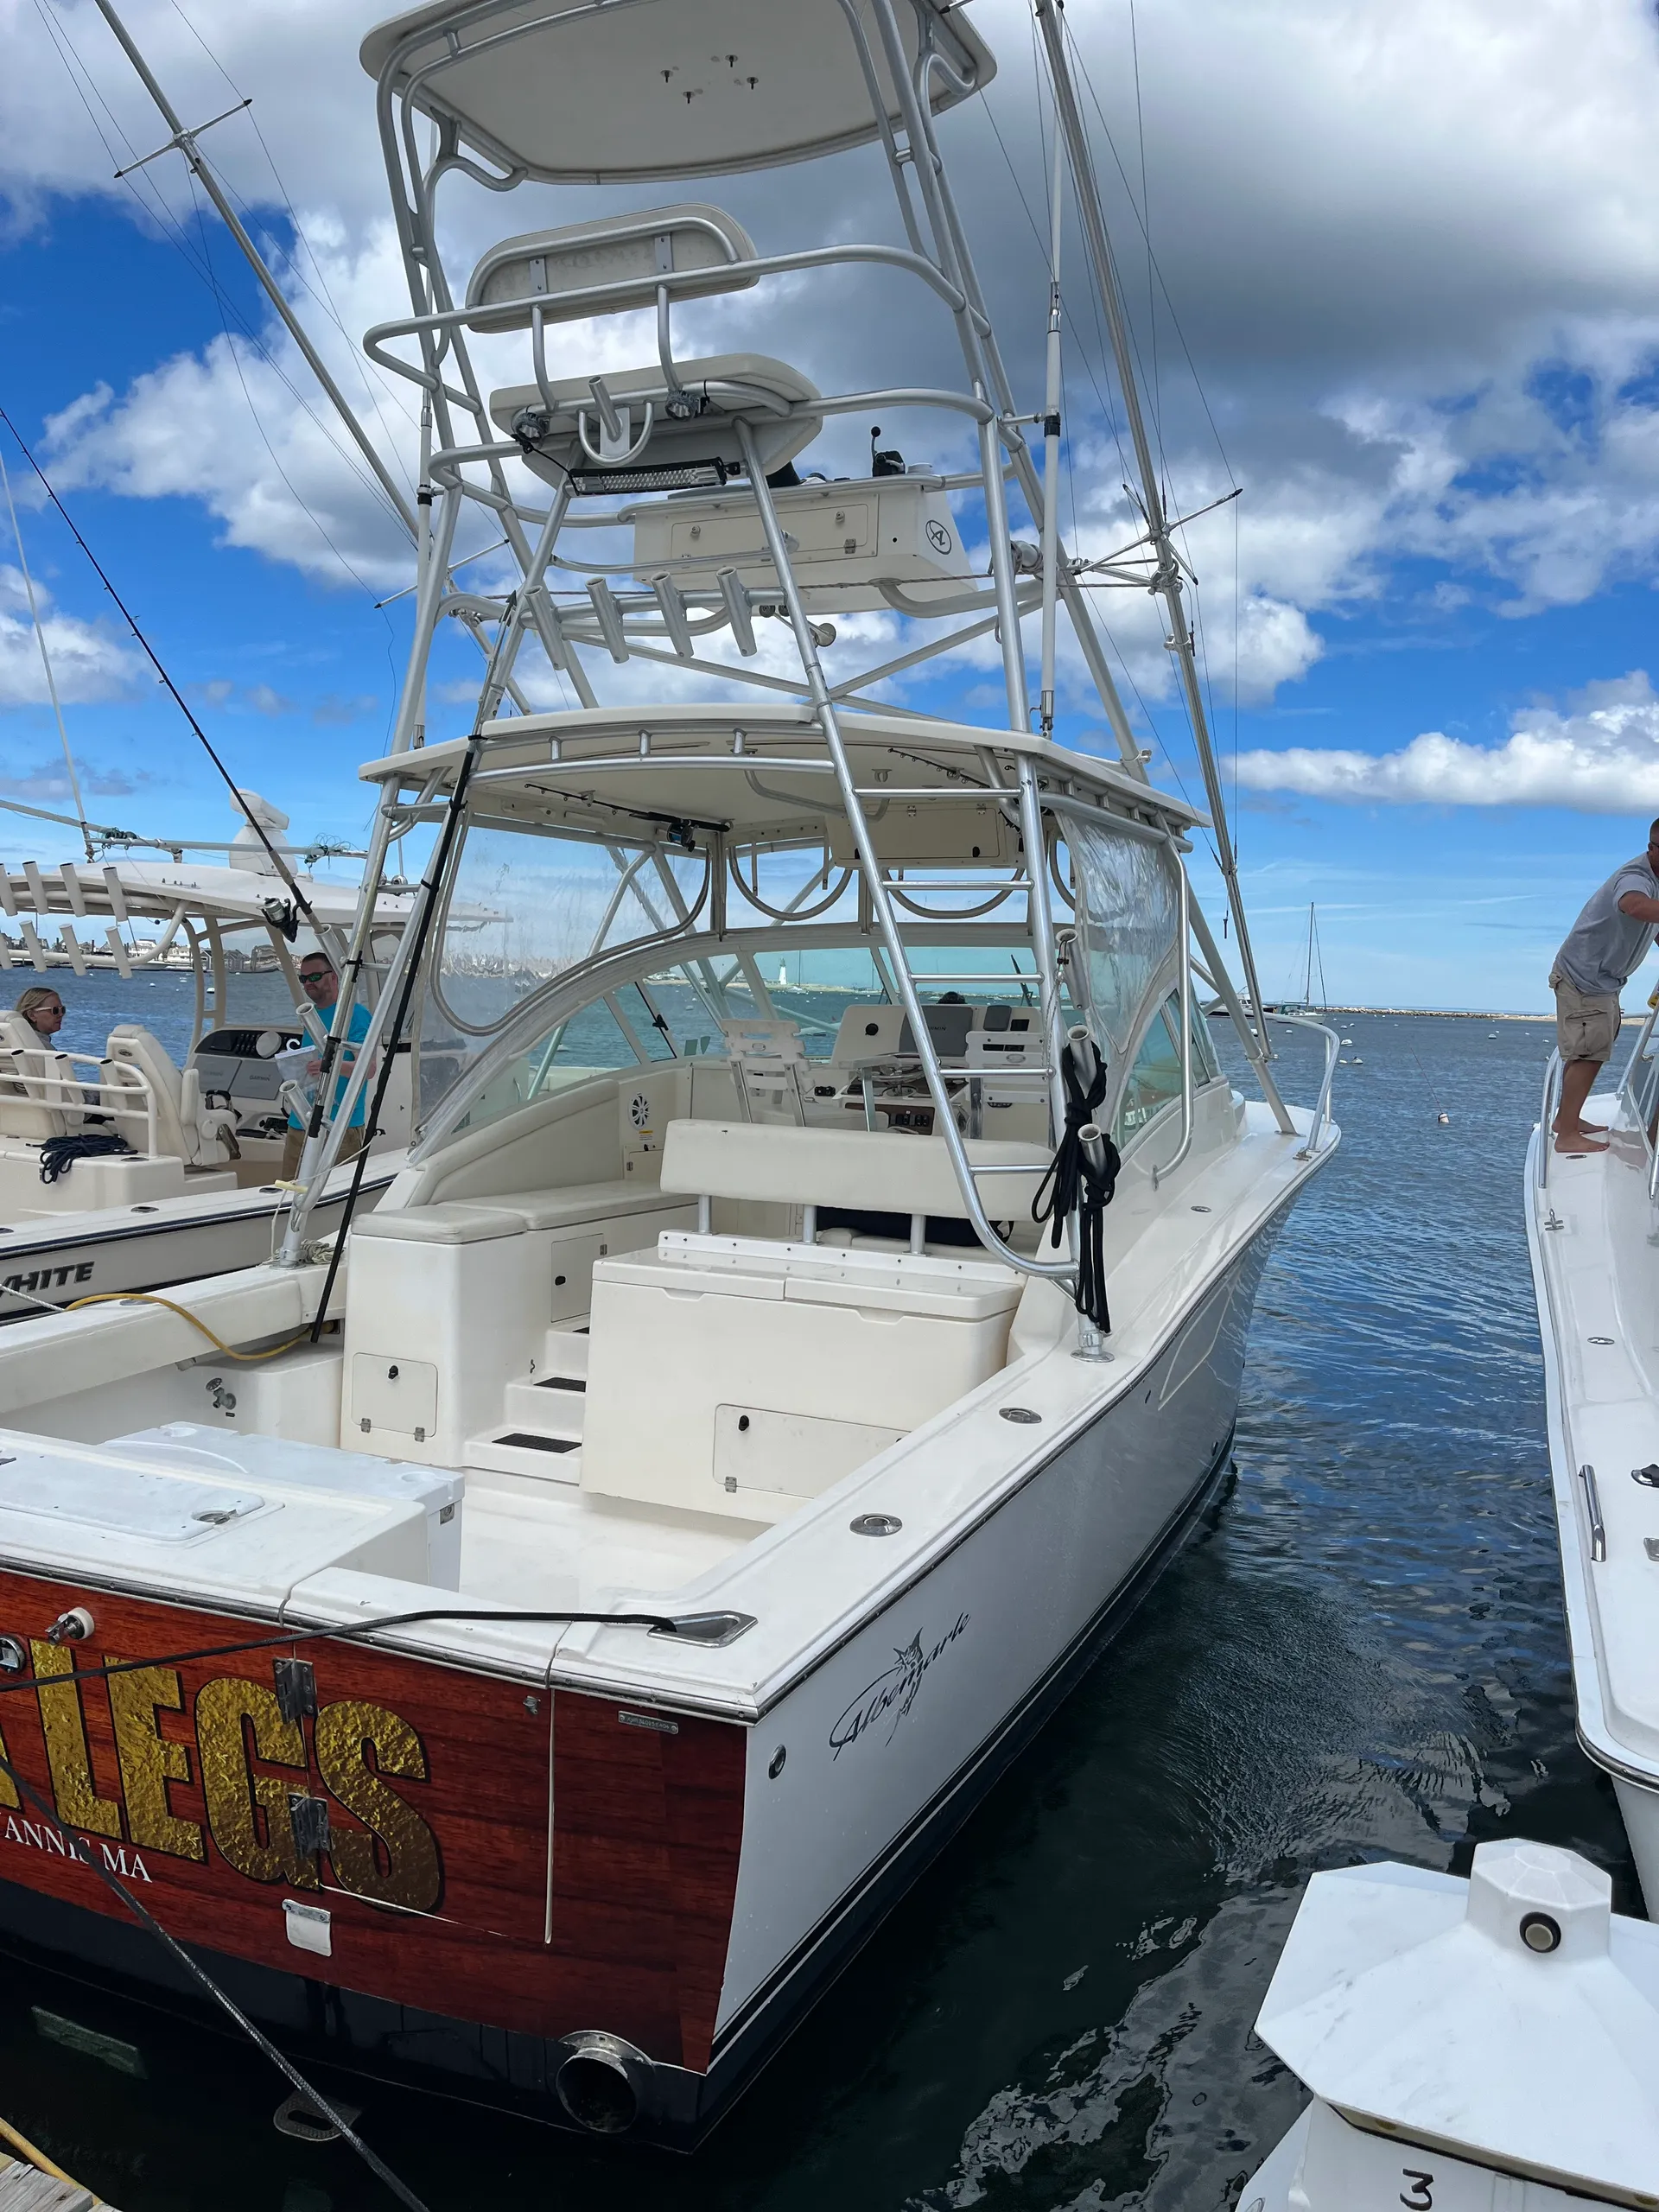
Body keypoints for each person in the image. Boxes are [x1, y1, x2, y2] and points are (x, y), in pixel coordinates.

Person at [1549, 820, 1659, 1154]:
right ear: (1653, 849)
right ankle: (1566, 1135)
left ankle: (1565, 1119)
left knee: (1592, 1048)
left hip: (1601, 980)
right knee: (1588, 1052)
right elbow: (1635, 906)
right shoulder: (1636, 877)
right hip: (1584, 977)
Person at [281, 953, 374, 1179]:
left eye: (314, 976)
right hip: (301, 1122)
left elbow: (368, 1069)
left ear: (333, 977)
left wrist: (329, 1066)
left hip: (341, 1126)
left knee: (334, 1192)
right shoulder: (310, 1016)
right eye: (304, 979)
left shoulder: (356, 1015)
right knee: (286, 1193)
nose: (308, 983)